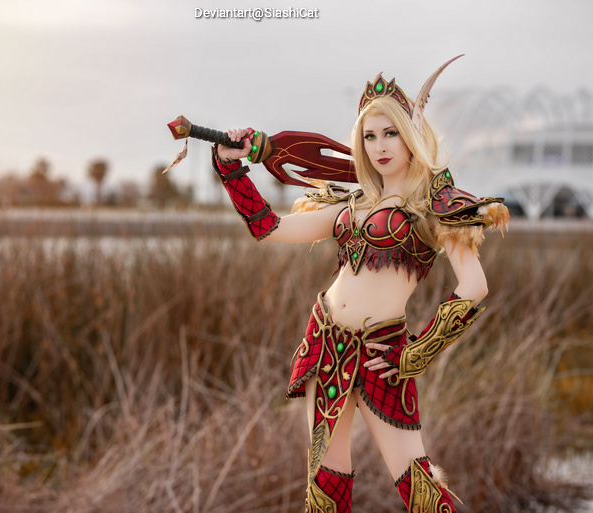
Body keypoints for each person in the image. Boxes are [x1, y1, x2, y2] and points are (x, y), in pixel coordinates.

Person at [211, 62, 509, 513]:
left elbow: (475, 285)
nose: (380, 146)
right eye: (369, 136)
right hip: (325, 344)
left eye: (390, 133)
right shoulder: (353, 203)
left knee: (419, 488)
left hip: (380, 354)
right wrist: (231, 169)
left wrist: (413, 355)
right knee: (326, 485)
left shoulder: (434, 204)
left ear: (411, 134)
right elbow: (267, 227)